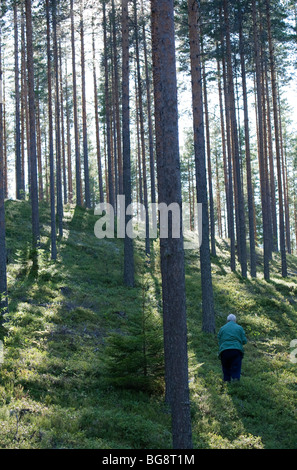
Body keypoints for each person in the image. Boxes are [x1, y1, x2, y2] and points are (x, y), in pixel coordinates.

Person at [218, 314, 247, 382]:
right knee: (236, 367)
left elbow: (219, 340)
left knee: (226, 367)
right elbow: (244, 341)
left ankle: (226, 382)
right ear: (235, 320)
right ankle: (235, 381)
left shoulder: (222, 328)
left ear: (227, 321)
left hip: (224, 351)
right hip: (236, 350)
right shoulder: (239, 328)